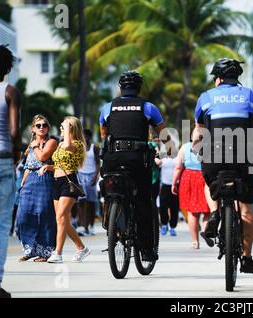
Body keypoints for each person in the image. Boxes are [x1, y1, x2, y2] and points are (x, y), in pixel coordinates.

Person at [193, 58, 253, 273]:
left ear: (219, 78)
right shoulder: (250, 95)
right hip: (245, 155)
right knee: (246, 210)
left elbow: (198, 132)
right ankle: (247, 257)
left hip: (214, 153)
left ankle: (214, 212)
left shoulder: (205, 97)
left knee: (208, 181)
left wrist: (197, 150)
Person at [99, 70, 165, 261]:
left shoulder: (108, 107)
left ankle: (111, 221)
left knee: (111, 189)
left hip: (113, 158)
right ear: (139, 88)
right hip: (137, 159)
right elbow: (163, 132)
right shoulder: (148, 107)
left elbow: (103, 134)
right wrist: (169, 149)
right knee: (144, 200)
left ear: (121, 88)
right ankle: (146, 250)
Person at [0, 44, 21, 298]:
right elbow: (12, 132)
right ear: (6, 67)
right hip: (2, 160)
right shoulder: (9, 91)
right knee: (1, 226)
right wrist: (17, 153)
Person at [41, 116, 90, 263]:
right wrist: (48, 167)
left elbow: (69, 147)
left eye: (63, 127)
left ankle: (58, 253)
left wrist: (67, 126)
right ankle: (81, 248)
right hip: (57, 181)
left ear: (71, 129)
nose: (61, 129)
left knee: (61, 217)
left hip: (68, 183)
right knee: (62, 220)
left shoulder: (77, 144)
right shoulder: (62, 143)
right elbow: (59, 164)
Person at [16, 115, 58, 262]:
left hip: (44, 179)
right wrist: (22, 184)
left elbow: (42, 157)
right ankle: (30, 249)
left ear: (48, 128)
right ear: (33, 128)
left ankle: (45, 252)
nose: (42, 127)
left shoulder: (51, 142)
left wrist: (34, 146)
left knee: (44, 216)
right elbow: (28, 166)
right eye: (38, 125)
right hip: (30, 182)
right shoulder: (31, 145)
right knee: (23, 216)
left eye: (44, 125)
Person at [172, 139, 210, 249]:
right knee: (207, 211)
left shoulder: (185, 147)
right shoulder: (209, 145)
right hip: (205, 177)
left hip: (189, 178)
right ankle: (205, 230)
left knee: (192, 212)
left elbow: (178, 167)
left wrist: (174, 183)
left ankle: (195, 241)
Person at [76, 129, 100, 236]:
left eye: (85, 136)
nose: (84, 138)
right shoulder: (79, 148)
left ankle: (91, 225)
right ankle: (82, 226)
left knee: (91, 203)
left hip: (91, 176)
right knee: (82, 202)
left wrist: (95, 177)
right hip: (81, 175)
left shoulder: (94, 148)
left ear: (89, 137)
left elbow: (98, 164)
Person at [156, 152, 179, 237]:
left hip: (176, 185)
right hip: (164, 185)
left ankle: (173, 227)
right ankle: (164, 225)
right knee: (163, 207)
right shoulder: (163, 157)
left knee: (175, 208)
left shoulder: (178, 157)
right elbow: (156, 163)